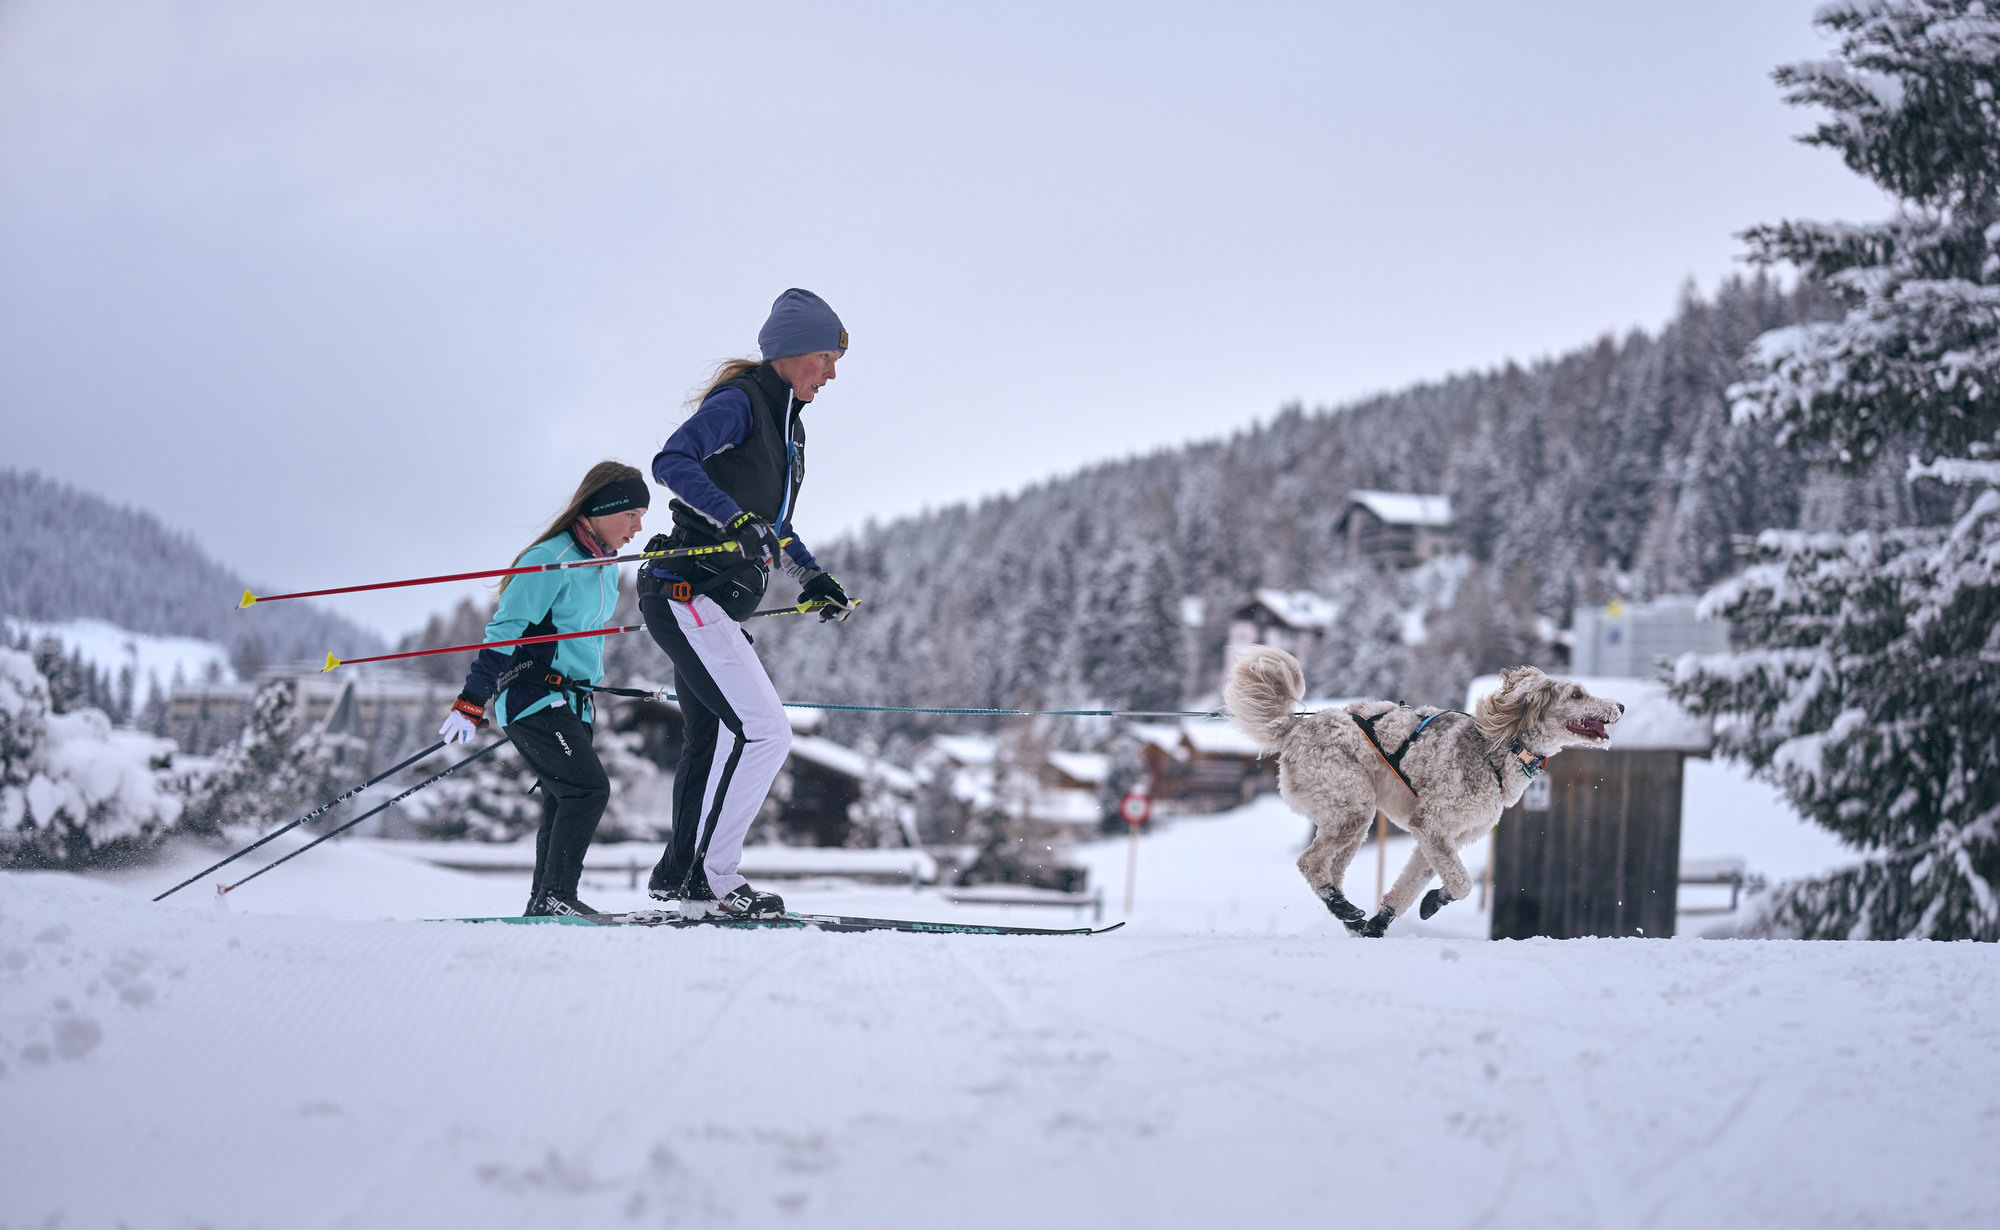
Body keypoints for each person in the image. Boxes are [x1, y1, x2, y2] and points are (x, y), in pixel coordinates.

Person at [638, 288, 857, 919]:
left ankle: (682, 873)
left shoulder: (787, 422)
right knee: (766, 731)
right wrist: (735, 518)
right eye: (827, 356)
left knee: (709, 738)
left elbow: (772, 525)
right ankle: (714, 878)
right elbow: (671, 461)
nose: (833, 373)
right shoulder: (742, 403)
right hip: (687, 592)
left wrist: (811, 576)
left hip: (707, 601)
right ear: (792, 353)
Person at [439, 461, 650, 918]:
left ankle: (544, 900)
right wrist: (472, 698)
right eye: (631, 514)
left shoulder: (605, 565)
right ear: (604, 507)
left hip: (574, 701)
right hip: (534, 697)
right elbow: (505, 632)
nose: (638, 527)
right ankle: (557, 895)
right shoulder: (549, 559)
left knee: (563, 800)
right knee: (587, 791)